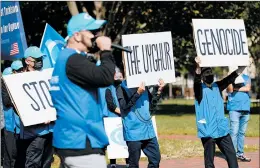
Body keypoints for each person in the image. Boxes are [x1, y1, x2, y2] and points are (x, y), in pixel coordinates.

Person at [49, 12, 115, 168]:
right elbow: (105, 77)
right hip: (82, 140)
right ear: (77, 36)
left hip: (71, 139)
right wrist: (105, 51)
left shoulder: (66, 57)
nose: (96, 35)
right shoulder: (74, 60)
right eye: (92, 31)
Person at [193, 56, 246, 168]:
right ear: (203, 76)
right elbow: (196, 80)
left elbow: (230, 78)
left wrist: (241, 68)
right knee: (209, 162)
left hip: (221, 128)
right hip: (207, 130)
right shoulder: (199, 90)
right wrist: (198, 66)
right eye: (207, 73)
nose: (210, 74)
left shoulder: (217, 86)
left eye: (210, 72)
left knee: (231, 155)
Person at [116, 72, 165, 168]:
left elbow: (152, 105)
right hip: (133, 132)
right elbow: (124, 107)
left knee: (156, 159)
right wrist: (138, 93)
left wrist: (159, 91)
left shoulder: (144, 86)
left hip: (148, 131)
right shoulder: (121, 87)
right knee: (134, 164)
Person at [20, 46, 54, 168]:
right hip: (34, 132)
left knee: (47, 163)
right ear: (27, 61)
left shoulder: (46, 75)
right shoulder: (19, 80)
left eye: (41, 58)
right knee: (34, 163)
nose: (40, 61)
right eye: (37, 59)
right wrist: (39, 118)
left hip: (50, 129)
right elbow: (18, 105)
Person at [98, 65, 129, 168]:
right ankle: (113, 164)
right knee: (113, 142)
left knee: (125, 142)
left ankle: (128, 163)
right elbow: (111, 105)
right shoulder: (108, 88)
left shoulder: (125, 88)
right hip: (112, 119)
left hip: (124, 118)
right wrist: (122, 112)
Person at [227, 68, 252, 162]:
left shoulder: (247, 77)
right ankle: (232, 156)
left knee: (242, 133)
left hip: (245, 109)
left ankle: (240, 154)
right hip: (234, 109)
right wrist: (233, 84)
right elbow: (230, 89)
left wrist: (236, 88)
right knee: (234, 132)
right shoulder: (230, 78)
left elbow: (248, 88)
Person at [1, 63, 23, 168]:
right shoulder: (4, 88)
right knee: (10, 155)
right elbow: (6, 103)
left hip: (19, 127)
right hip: (9, 127)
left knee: (16, 155)